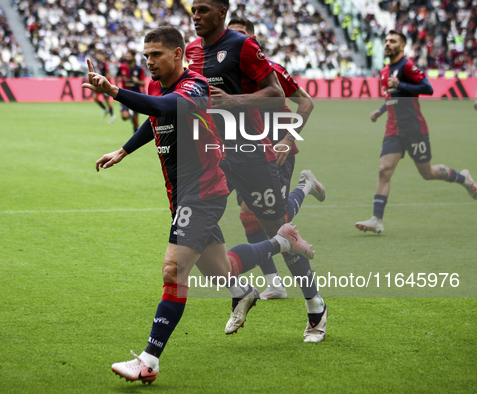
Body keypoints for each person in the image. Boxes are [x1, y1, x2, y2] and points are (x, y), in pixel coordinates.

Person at [84, 27, 315, 384]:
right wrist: (123, 150)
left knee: (173, 271)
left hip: (204, 192)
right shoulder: (160, 88)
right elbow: (156, 118)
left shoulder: (195, 87)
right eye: (145, 55)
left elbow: (165, 107)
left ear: (177, 54)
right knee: (220, 270)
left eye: (156, 54)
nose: (149, 62)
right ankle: (276, 249)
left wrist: (114, 91)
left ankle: (149, 360)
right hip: (182, 192)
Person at [187, 0, 327, 342]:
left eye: (204, 9)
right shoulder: (192, 52)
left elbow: (296, 100)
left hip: (257, 153)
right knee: (198, 226)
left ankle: (315, 305)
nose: (196, 16)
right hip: (213, 156)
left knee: (274, 227)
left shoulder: (255, 58)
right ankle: (245, 289)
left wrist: (283, 137)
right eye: (194, 9)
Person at [227, 17, 323, 300]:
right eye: (230, 36)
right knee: (249, 216)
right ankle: (274, 283)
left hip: (277, 153)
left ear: (253, 41)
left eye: (242, 35)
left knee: (271, 218)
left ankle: (305, 185)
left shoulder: (271, 71)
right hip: (246, 154)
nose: (235, 41)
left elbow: (306, 102)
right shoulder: (226, 73)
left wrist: (288, 139)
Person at [355, 30, 477, 234]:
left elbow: (428, 88)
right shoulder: (385, 71)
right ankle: (377, 219)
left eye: (392, 41)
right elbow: (393, 97)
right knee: (384, 170)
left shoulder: (408, 66)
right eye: (386, 41)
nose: (387, 44)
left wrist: (401, 84)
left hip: (413, 128)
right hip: (393, 129)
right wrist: (381, 110)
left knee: (428, 173)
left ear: (402, 46)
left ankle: (463, 178)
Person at [114, 50, 146, 133]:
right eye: (126, 56)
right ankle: (131, 116)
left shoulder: (138, 69)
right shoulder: (122, 67)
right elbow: (116, 76)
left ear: (133, 56)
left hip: (136, 94)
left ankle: (136, 131)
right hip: (124, 93)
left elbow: (143, 83)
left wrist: (137, 81)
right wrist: (117, 85)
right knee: (124, 116)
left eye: (129, 56)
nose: (127, 57)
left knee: (136, 117)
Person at [92, 51, 116, 123]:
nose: (98, 57)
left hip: (105, 84)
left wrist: (105, 83)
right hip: (100, 83)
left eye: (99, 55)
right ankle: (106, 109)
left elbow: (107, 74)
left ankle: (112, 115)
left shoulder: (105, 64)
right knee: (95, 98)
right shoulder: (100, 64)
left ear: (102, 56)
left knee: (107, 100)